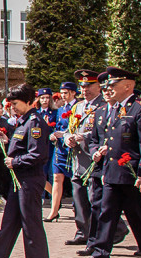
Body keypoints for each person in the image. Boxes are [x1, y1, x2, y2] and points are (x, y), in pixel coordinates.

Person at [79, 67, 141, 258]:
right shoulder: (113, 109)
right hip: (111, 172)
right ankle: (101, 253)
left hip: (132, 174)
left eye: (113, 85)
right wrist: (97, 152)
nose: (108, 88)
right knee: (107, 212)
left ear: (127, 86)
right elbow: (101, 138)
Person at [0, 84, 51, 258]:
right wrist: (7, 142)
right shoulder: (23, 122)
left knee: (31, 224)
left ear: (28, 101)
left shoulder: (35, 123)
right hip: (18, 180)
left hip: (29, 180)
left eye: (16, 103)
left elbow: (38, 154)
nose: (13, 107)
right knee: (9, 222)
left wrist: (14, 160)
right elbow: (22, 146)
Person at [65, 70, 106, 246]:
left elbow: (104, 132)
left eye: (89, 85)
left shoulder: (104, 106)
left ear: (99, 86)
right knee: (78, 198)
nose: (85, 89)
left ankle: (111, 230)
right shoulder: (78, 107)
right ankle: (82, 231)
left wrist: (85, 137)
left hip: (94, 159)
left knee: (94, 199)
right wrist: (68, 138)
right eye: (83, 86)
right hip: (78, 159)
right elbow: (71, 128)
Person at [45, 82, 78, 222]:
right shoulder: (60, 109)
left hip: (74, 147)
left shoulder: (79, 107)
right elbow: (58, 126)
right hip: (60, 148)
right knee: (57, 178)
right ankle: (53, 211)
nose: (63, 96)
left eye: (66, 93)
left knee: (76, 180)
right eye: (62, 93)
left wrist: (66, 134)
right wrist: (53, 134)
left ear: (73, 93)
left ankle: (78, 208)